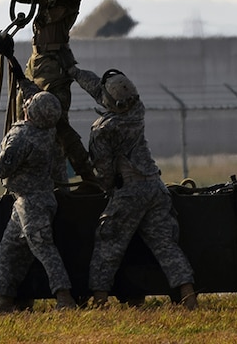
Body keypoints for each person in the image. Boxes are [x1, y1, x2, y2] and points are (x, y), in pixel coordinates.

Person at [67, 63, 198, 309]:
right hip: (155, 188)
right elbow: (101, 90)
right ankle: (188, 296)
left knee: (108, 242)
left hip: (129, 192)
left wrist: (107, 187)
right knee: (165, 244)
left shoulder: (103, 130)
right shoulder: (137, 109)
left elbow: (104, 172)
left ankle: (100, 300)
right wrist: (74, 72)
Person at [0, 68, 76, 314]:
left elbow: (0, 169)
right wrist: (18, 72)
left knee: (44, 250)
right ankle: (6, 301)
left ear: (30, 113)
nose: (27, 104)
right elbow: (37, 97)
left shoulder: (22, 138)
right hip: (32, 201)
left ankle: (65, 299)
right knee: (9, 250)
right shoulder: (49, 128)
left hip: (31, 204)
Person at [14, 0, 100, 181]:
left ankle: (87, 176)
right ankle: (34, 177)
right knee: (25, 118)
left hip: (54, 63)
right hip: (38, 62)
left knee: (57, 123)